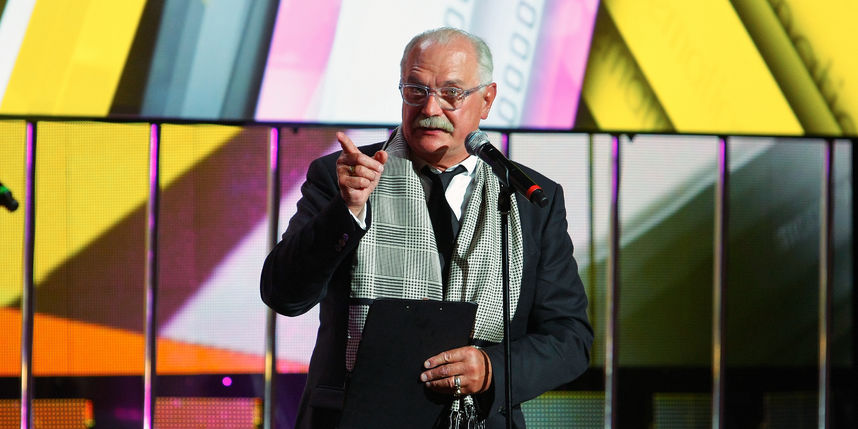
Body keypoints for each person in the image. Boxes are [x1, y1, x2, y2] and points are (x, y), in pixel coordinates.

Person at [260, 27, 593, 428]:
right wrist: (346, 209)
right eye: (416, 91)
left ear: (486, 100)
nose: (430, 108)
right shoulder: (345, 176)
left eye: (451, 93)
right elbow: (283, 295)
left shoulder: (528, 198)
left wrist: (491, 369)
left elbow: (570, 339)